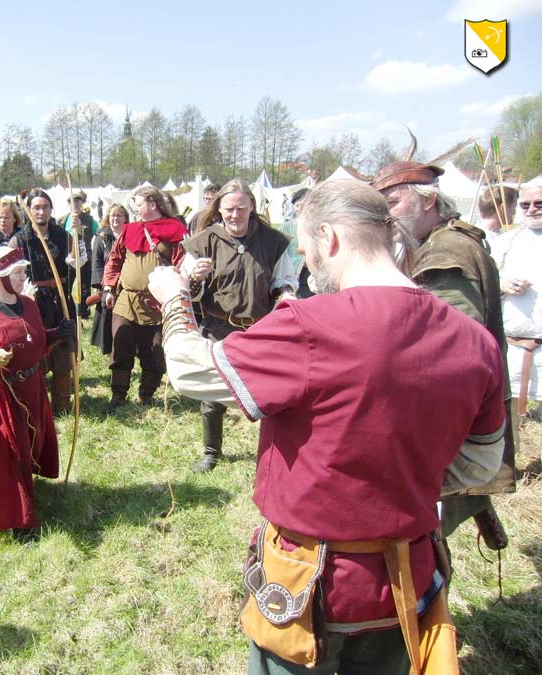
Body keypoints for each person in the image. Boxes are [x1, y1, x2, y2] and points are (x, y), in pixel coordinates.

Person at [149, 179, 506, 675]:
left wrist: (173, 297)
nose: (307, 261)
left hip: (311, 584)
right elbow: (481, 462)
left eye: (306, 248)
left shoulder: (309, 324)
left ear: (330, 238)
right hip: (408, 579)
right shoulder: (475, 341)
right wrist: (399, 481)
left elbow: (190, 370)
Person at [374, 160, 514, 557]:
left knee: (424, 533)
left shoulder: (445, 250)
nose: (387, 213)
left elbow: (451, 352)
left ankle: (429, 617)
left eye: (394, 202)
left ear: (429, 200)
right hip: (460, 414)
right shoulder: (440, 242)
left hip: (451, 420)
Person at [0, 246, 72, 540]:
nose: (23, 277)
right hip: (4, 393)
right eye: (17, 272)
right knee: (12, 450)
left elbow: (34, 340)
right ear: (1, 276)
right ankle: (21, 521)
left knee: (32, 439)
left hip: (33, 387)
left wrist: (58, 334)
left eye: (22, 272)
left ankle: (26, 491)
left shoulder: (28, 304)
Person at [181, 180, 297, 472]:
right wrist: (194, 276)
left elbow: (284, 280)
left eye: (241, 209)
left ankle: (273, 454)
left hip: (262, 329)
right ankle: (211, 452)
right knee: (212, 395)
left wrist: (284, 293)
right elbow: (185, 287)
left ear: (252, 208)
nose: (235, 215)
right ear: (219, 208)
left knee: (271, 394)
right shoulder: (204, 240)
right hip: (218, 327)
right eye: (229, 209)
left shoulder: (273, 242)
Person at [100, 186, 186, 412]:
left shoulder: (175, 229)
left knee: (155, 351)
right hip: (126, 300)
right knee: (121, 346)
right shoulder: (130, 230)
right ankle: (118, 395)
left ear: (153, 204)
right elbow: (115, 259)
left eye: (137, 202)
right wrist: (109, 287)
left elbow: (182, 263)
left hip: (158, 303)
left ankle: (146, 395)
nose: (134, 207)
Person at [10, 188, 80, 416]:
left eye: (45, 207)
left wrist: (79, 238)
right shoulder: (19, 239)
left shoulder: (63, 235)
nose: (41, 211)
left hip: (60, 300)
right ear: (29, 211)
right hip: (33, 302)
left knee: (63, 350)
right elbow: (11, 272)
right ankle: (35, 404)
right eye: (36, 207)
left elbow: (78, 264)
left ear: (51, 210)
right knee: (34, 352)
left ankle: (62, 404)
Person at [491, 183, 542, 420]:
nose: (532, 209)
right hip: (514, 345)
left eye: (538, 204)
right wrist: (501, 285)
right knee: (509, 417)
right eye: (525, 205)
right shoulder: (506, 242)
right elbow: (488, 278)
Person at [90, 204, 128, 355]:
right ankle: (111, 350)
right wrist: (104, 286)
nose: (115, 218)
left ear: (125, 218)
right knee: (108, 321)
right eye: (113, 215)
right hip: (108, 286)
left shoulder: (131, 236)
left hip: (126, 286)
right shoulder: (102, 238)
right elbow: (97, 263)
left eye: (119, 215)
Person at [58, 190, 98, 319]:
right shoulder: (62, 221)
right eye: (71, 201)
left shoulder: (90, 220)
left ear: (82, 202)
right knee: (66, 286)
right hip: (69, 258)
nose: (74, 203)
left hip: (86, 258)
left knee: (85, 287)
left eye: (77, 200)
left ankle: (83, 312)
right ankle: (67, 311)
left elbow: (99, 233)